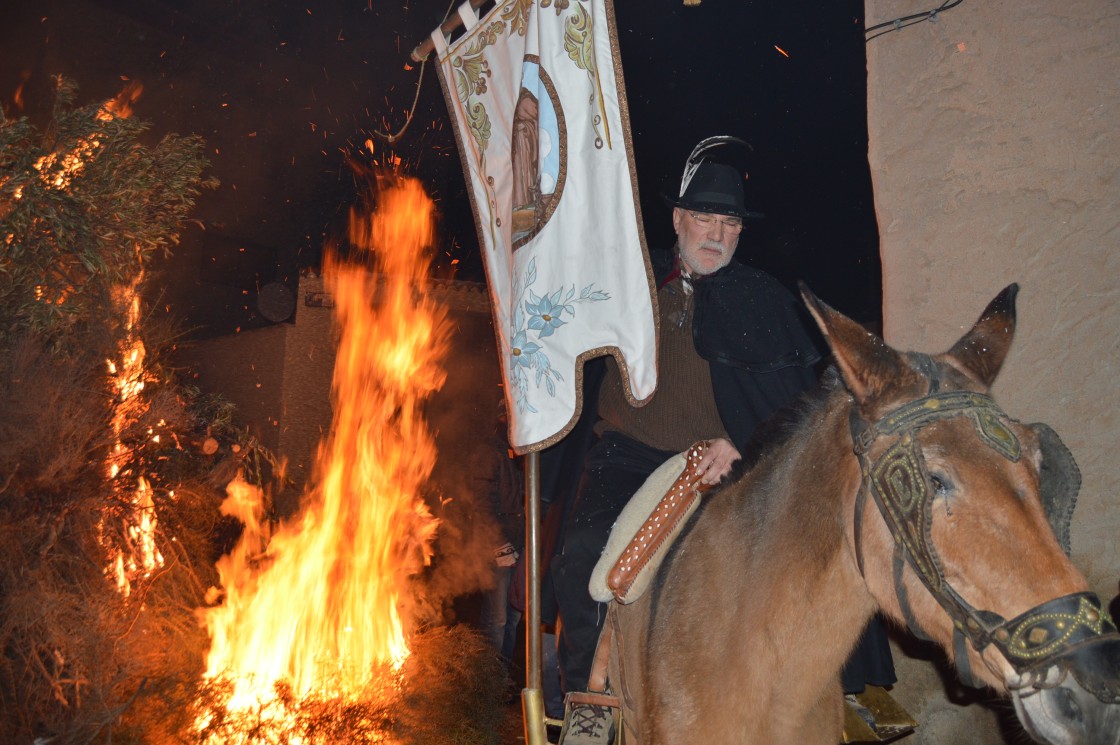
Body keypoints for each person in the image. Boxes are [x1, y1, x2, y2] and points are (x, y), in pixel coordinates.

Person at [550, 137, 895, 743]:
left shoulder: (763, 300)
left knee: (818, 543)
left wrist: (745, 441)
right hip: (630, 454)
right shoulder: (629, 281)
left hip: (730, 459)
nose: (715, 233)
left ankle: (840, 690)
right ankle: (590, 702)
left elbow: (802, 403)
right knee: (582, 549)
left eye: (729, 222)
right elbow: (558, 322)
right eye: (703, 217)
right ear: (678, 219)